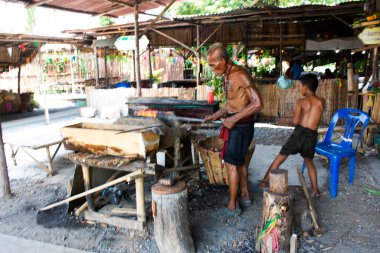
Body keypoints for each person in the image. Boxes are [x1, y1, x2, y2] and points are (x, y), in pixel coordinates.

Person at [205, 43, 263, 216]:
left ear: (222, 60)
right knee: (240, 161)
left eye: (212, 64)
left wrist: (234, 119)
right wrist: (216, 115)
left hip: (242, 127)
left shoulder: (240, 75)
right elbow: (232, 104)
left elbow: (258, 103)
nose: (211, 69)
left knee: (231, 165)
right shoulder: (227, 75)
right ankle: (245, 195)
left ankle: (232, 204)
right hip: (237, 124)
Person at [259, 73, 324, 196]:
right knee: (309, 161)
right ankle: (316, 190)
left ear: (306, 87)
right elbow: (313, 116)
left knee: (280, 158)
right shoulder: (321, 102)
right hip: (311, 136)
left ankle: (263, 182)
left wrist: (289, 118)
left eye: (300, 86)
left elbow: (295, 122)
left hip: (299, 133)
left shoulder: (301, 101)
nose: (299, 88)